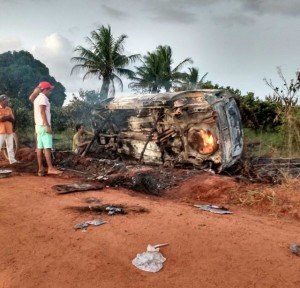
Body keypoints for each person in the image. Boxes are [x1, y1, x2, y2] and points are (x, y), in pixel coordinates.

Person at [33, 81, 62, 176]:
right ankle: (50, 168)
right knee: (47, 147)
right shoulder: (43, 98)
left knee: (39, 148)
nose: (50, 91)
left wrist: (36, 90)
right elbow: (42, 112)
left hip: (38, 126)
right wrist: (47, 126)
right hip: (43, 126)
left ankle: (40, 169)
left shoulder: (37, 98)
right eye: (49, 89)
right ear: (44, 89)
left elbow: (31, 98)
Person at [0, 94, 19, 164]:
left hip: (9, 130)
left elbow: (13, 119)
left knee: (10, 146)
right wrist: (8, 117)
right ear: (1, 101)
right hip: (1, 131)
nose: (7, 102)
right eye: (5, 101)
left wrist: (6, 118)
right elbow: (1, 119)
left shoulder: (9, 109)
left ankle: (12, 161)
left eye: (7, 101)